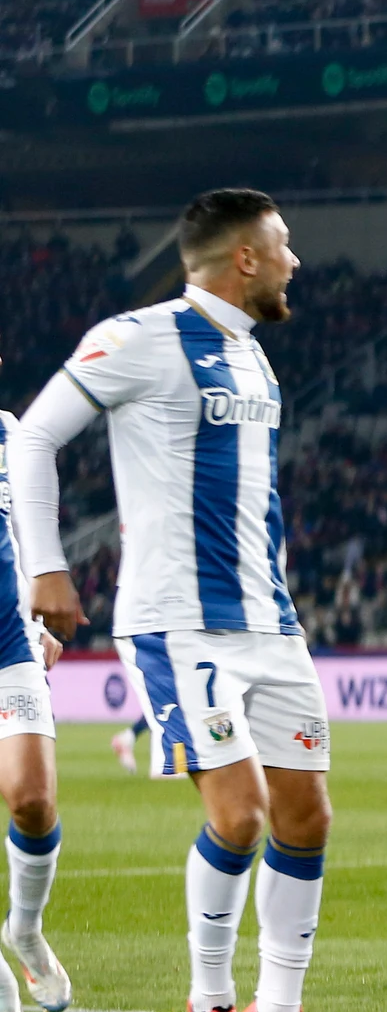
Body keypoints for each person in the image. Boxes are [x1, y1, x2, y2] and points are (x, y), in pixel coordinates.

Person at [15, 189, 332, 1012]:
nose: (295, 258)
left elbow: (257, 499)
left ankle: (282, 1002)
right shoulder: (140, 338)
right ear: (246, 257)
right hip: (180, 623)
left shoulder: (255, 356)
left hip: (271, 620)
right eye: (284, 243)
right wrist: (46, 566)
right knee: (240, 816)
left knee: (307, 817)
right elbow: (36, 435)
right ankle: (209, 994)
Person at [0, 399, 72, 1012]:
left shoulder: (8, 431)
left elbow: (24, 533)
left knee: (32, 799)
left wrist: (36, 613)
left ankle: (24, 925)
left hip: (7, 641)